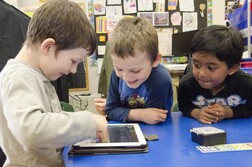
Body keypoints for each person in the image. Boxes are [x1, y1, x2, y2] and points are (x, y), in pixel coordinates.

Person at [0, 1, 107, 166]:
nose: (73, 70)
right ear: (48, 46)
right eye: (73, 61)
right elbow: (30, 130)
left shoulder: (36, 76)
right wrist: (88, 122)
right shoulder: (18, 76)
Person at [178, 25, 252, 124]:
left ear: (232, 68)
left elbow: (249, 109)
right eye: (196, 65)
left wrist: (227, 112)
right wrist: (197, 113)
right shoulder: (186, 84)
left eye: (211, 68)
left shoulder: (247, 85)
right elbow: (184, 106)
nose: (202, 74)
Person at [105, 17, 173, 125]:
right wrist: (140, 114)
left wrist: (121, 112)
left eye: (135, 70)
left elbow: (153, 118)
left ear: (155, 60)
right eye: (119, 69)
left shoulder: (161, 80)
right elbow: (110, 110)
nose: (126, 77)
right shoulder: (116, 75)